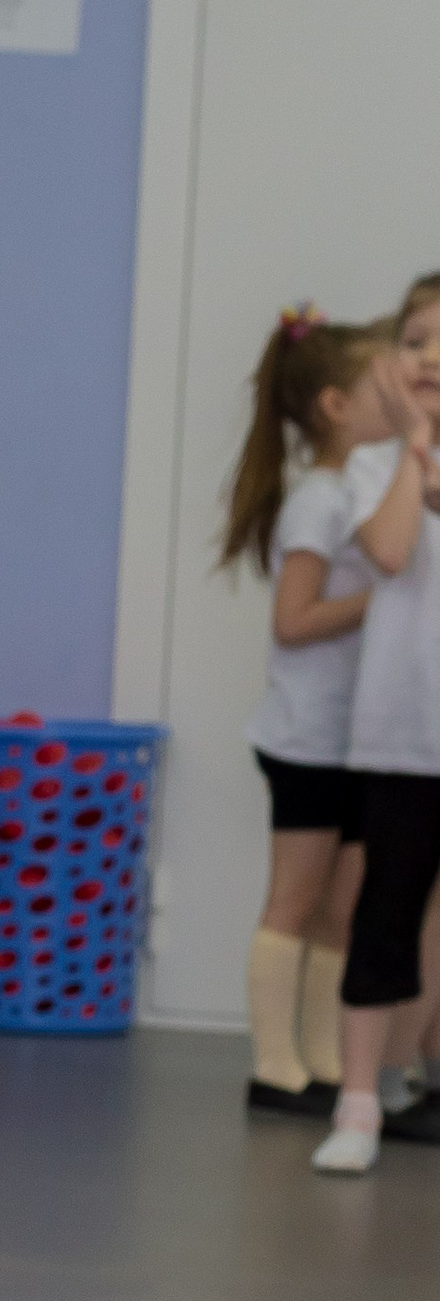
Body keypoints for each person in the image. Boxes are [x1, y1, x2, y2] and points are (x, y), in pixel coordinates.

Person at [216, 309, 384, 1113]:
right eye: (380, 384)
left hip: (353, 736)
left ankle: (321, 1059)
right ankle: (275, 1069)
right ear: (334, 406)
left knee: (340, 906)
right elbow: (294, 621)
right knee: (296, 899)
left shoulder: (360, 492)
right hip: (307, 736)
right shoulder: (319, 500)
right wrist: (385, 599)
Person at [315, 278, 440, 1176]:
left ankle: (418, 1072)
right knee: (384, 916)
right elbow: (391, 552)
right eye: (415, 341)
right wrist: (418, 450)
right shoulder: (370, 467)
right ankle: (357, 1105)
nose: (430, 358)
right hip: (402, 735)